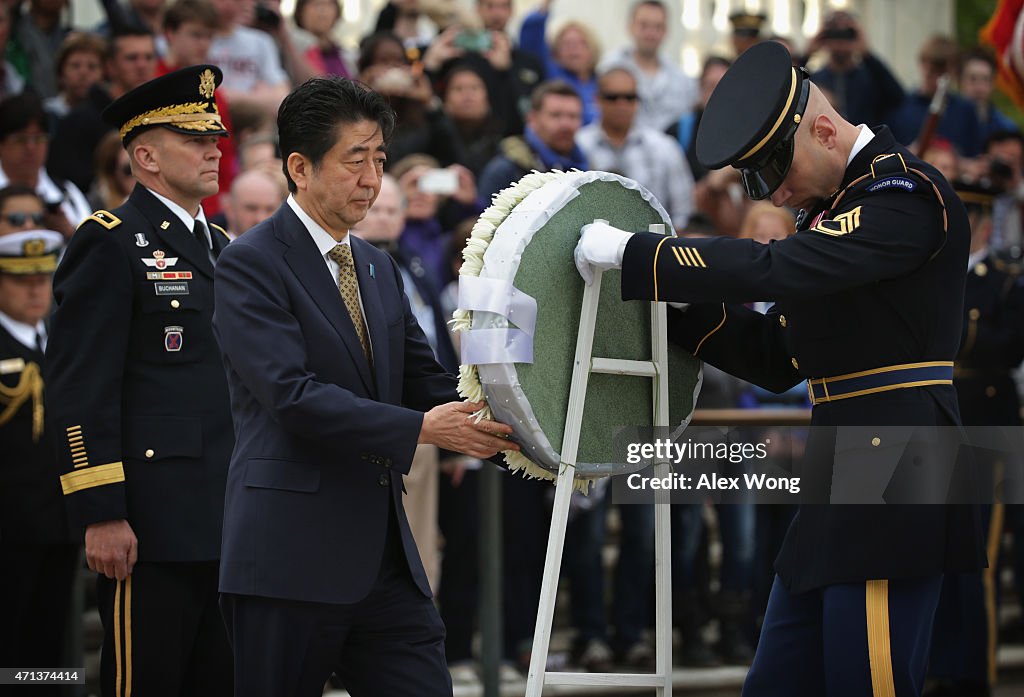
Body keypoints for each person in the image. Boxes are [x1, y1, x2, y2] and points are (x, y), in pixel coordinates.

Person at [574, 40, 984, 696]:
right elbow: (775, 353)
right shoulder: (833, 209)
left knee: (868, 681)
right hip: (838, 469)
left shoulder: (904, 192)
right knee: (776, 681)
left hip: (896, 466)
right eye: (754, 182)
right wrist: (668, 307)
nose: (772, 192)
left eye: (773, 171)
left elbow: (777, 266)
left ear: (824, 129)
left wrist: (644, 257)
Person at [213, 75, 516, 697]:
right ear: (299, 167)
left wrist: (509, 406)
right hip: (287, 555)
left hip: (383, 559)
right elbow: (290, 395)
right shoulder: (250, 262)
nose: (373, 179)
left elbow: (424, 378)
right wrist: (423, 430)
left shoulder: (377, 265)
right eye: (356, 160)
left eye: (379, 160)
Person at [45, 64, 235, 697]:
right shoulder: (110, 242)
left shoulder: (224, 245)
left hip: (229, 515)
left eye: (215, 138)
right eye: (195, 139)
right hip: (149, 523)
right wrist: (100, 512)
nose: (214, 149)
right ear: (146, 155)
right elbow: (78, 385)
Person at [0, 224, 78, 696]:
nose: (34, 290)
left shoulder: (60, 340)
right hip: (8, 527)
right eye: (20, 279)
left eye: (41, 278)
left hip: (59, 522)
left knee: (51, 640)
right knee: (10, 641)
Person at [576, 65, 694, 231]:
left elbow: (683, 212)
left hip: (653, 248)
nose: (621, 104)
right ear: (597, 99)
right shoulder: (579, 144)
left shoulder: (664, 147)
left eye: (629, 97)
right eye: (612, 97)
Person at [47, 26, 157, 195]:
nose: (141, 65)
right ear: (110, 66)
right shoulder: (78, 121)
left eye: (148, 57)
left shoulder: (163, 116)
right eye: (132, 58)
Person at [477, 79, 586, 200]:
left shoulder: (586, 168)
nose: (565, 124)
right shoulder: (505, 171)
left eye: (573, 116)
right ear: (532, 118)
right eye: (556, 115)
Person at [598, 0, 696, 133]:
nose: (650, 33)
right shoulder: (608, 68)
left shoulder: (682, 81)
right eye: (643, 25)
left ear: (666, 31)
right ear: (630, 26)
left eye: (657, 27)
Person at [0, 93, 91, 236]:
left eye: (39, 138)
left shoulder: (68, 194)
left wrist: (69, 234)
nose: (30, 147)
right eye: (20, 139)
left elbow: (94, 250)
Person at [806, 11, 904, 129]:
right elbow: (791, 91)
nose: (840, 42)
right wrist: (806, 54)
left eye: (847, 34)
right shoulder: (815, 80)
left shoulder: (870, 78)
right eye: (834, 34)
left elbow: (897, 98)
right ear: (824, 39)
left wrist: (867, 54)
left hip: (867, 144)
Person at [222, 167, 286, 238]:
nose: (261, 219)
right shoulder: (213, 247)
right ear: (229, 208)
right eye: (251, 209)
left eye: (270, 209)